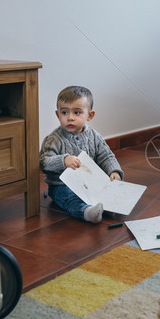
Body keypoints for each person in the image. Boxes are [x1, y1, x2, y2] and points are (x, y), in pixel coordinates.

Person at [40, 86, 123, 223]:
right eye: (65, 112)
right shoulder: (54, 139)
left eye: (77, 112)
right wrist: (63, 160)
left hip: (92, 184)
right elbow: (44, 163)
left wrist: (114, 171)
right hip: (62, 185)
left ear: (89, 115)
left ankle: (108, 205)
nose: (70, 118)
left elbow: (106, 156)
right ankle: (86, 212)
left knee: (115, 183)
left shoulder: (94, 136)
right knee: (69, 197)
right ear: (58, 114)